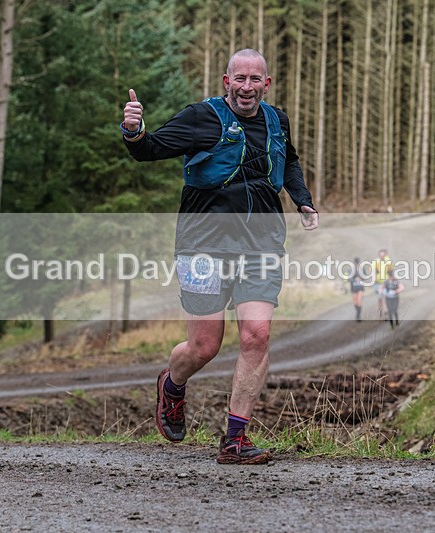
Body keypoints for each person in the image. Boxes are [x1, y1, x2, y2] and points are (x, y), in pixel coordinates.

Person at [121, 49, 318, 465]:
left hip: (261, 244)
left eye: (255, 79)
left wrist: (302, 198)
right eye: (239, 79)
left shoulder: (277, 120)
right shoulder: (201, 117)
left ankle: (235, 440)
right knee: (204, 346)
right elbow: (148, 150)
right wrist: (134, 131)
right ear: (226, 81)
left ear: (266, 84)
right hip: (203, 244)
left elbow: (290, 162)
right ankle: (172, 385)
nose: (247, 87)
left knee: (256, 336)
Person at [371, 249, 392, 318]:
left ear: (385, 255)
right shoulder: (375, 262)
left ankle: (385, 311)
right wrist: (373, 278)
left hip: (385, 282)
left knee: (384, 296)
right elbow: (372, 271)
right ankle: (380, 309)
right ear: (379, 255)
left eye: (384, 255)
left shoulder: (388, 262)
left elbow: (391, 271)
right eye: (381, 255)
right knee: (379, 298)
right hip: (377, 283)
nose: (382, 256)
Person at [348, 257, 366, 322]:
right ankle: (358, 313)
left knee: (359, 301)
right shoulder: (351, 270)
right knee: (355, 302)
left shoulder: (362, 269)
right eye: (356, 263)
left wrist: (360, 278)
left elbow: (365, 277)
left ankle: (358, 316)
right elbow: (349, 278)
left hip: (360, 287)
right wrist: (354, 279)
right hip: (353, 288)